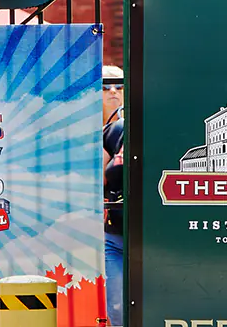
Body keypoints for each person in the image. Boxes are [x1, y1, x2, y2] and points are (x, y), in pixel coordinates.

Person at [102, 65, 125, 326]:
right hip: (111, 233)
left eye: (119, 87)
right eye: (105, 88)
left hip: (147, 234)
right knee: (117, 311)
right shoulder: (113, 131)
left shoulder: (127, 127)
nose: (113, 93)